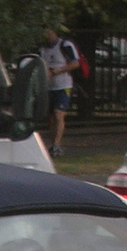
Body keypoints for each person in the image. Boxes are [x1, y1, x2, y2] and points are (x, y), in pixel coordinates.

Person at [39, 26, 82, 156]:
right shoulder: (42, 49)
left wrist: (56, 71)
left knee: (59, 113)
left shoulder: (65, 45)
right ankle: (53, 143)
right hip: (48, 86)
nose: (47, 36)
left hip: (63, 85)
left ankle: (57, 144)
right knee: (51, 117)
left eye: (49, 33)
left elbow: (75, 64)